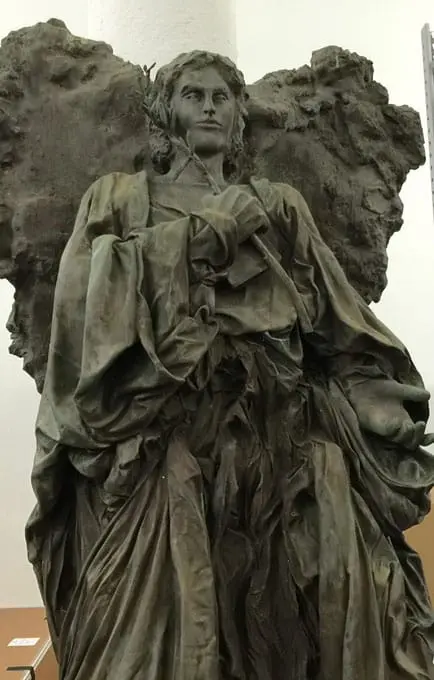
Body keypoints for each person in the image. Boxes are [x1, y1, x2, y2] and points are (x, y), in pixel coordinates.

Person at [26, 50, 434, 680]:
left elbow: (336, 324)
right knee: (159, 623)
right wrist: (202, 235)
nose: (210, 107)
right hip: (161, 434)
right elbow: (82, 305)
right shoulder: (119, 198)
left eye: (222, 97)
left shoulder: (278, 206)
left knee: (349, 570)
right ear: (165, 112)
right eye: (193, 95)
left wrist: (372, 402)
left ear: (241, 116)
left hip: (280, 429)